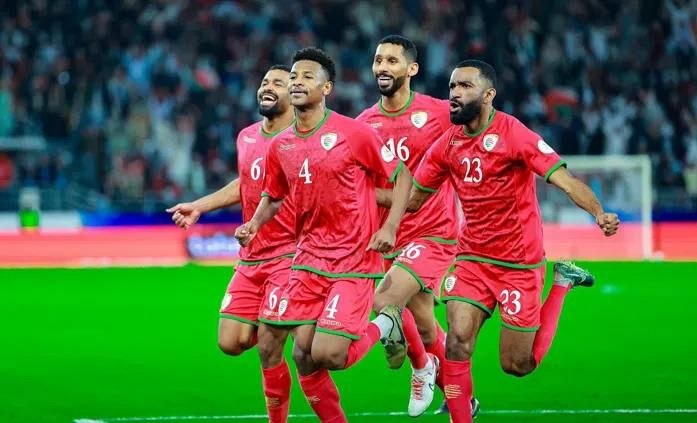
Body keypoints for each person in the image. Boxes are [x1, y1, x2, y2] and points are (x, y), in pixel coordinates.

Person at [409, 60, 620, 423]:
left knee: (517, 364)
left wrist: (598, 212)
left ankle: (562, 283)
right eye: (452, 86)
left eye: (465, 86)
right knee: (457, 342)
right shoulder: (447, 145)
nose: (454, 94)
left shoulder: (514, 134)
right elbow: (412, 198)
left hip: (518, 264)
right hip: (472, 258)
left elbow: (565, 180)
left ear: (488, 95)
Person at [235, 47, 412, 423]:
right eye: (293, 77)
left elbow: (402, 176)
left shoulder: (353, 132)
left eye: (306, 77)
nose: (297, 82)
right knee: (302, 355)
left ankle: (385, 323)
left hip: (353, 259)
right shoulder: (280, 144)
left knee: (329, 354)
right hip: (308, 260)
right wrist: (255, 223)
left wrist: (390, 226)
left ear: (327, 88)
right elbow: (273, 195)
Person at [166, 65, 296, 423]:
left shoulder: (302, 138)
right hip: (252, 257)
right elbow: (245, 183)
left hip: (290, 254)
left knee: (269, 346)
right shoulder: (247, 136)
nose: (268, 87)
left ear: (294, 94)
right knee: (230, 342)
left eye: (278, 83)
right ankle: (295, 321)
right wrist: (199, 206)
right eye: (265, 82)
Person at [356, 34, 463, 417]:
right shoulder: (363, 124)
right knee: (427, 328)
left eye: (392, 61)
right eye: (378, 60)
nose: (382, 67)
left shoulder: (439, 113)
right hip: (388, 237)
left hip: (433, 233)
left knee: (384, 301)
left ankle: (421, 367)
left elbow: (476, 137)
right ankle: (462, 399)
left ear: (412, 68)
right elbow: (360, 185)